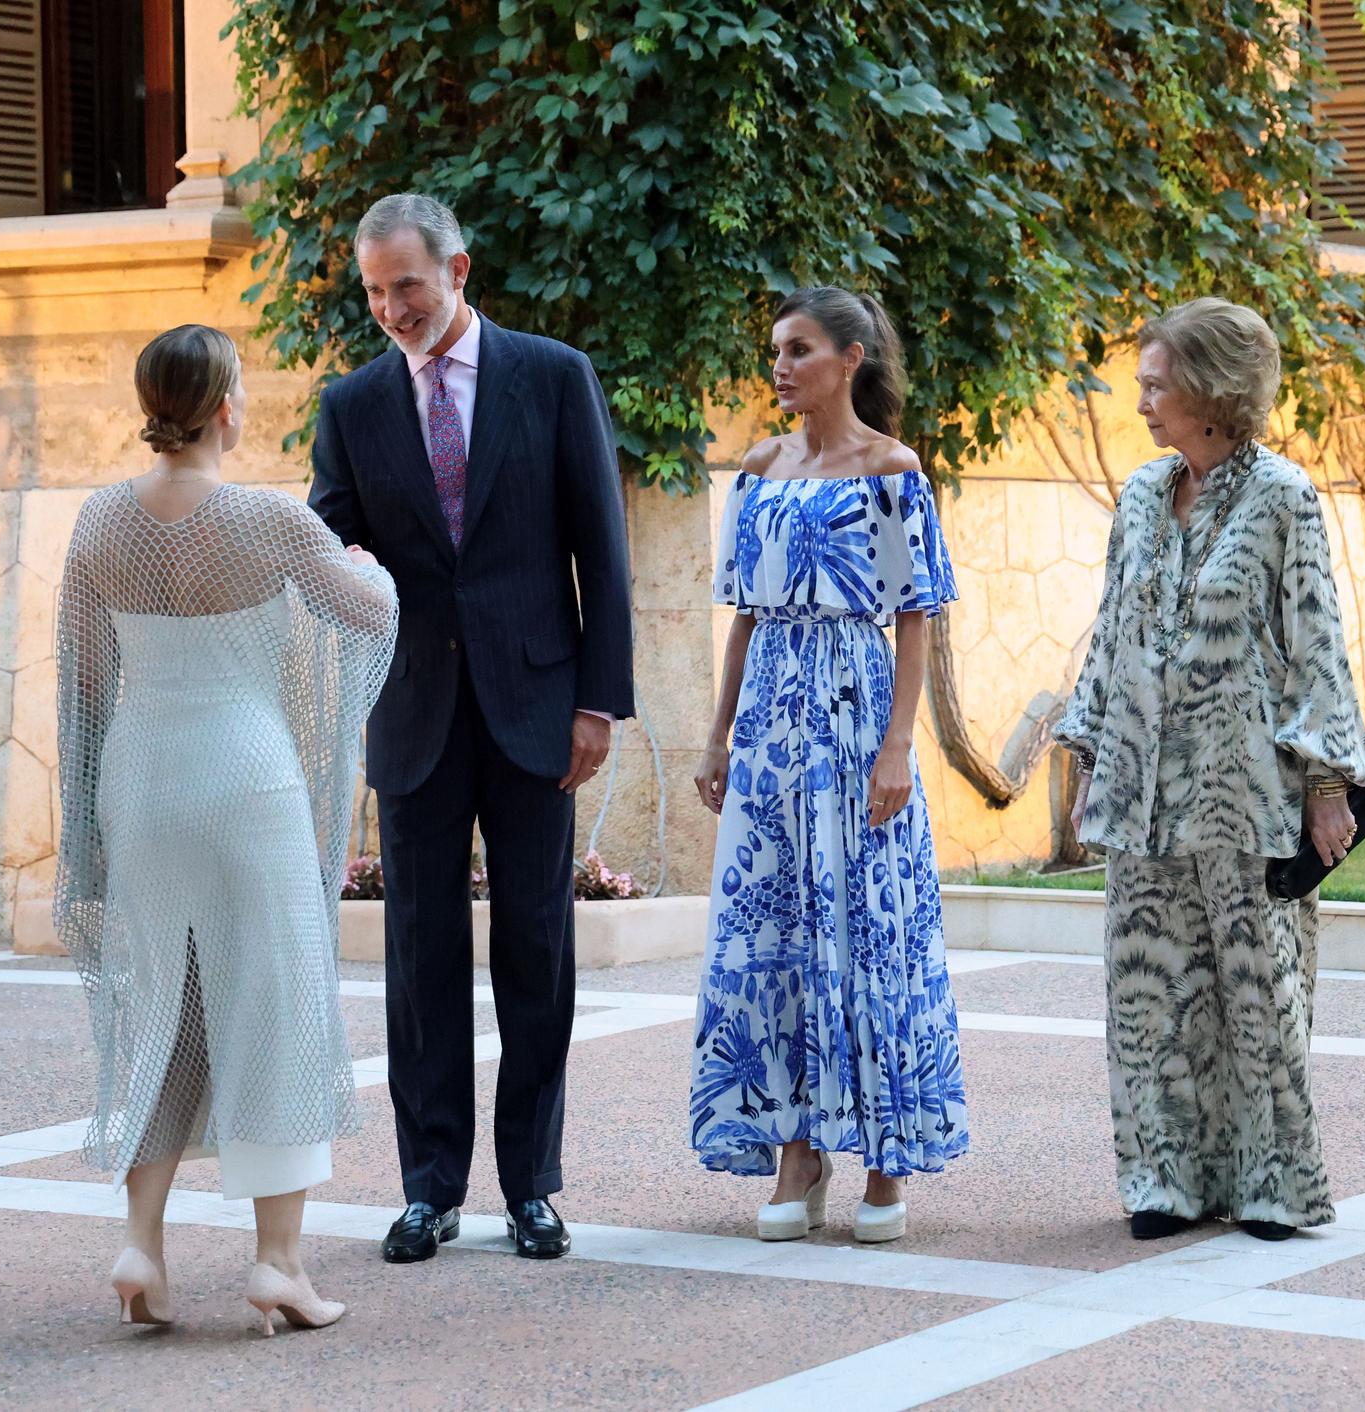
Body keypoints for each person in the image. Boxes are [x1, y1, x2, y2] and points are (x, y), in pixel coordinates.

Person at [308, 194, 635, 1263]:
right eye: (371, 291)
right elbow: (329, 539)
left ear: (457, 267)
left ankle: (531, 1183)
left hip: (539, 705)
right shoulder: (352, 404)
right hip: (413, 711)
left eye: (405, 284)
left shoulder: (551, 375)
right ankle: (428, 1185)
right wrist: (322, 560)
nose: (390, 308)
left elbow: (602, 546)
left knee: (535, 946)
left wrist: (600, 698)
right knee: (420, 952)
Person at [54, 324, 400, 1334]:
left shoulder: (99, 524)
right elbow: (366, 614)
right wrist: (366, 564)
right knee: (277, 1005)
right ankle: (278, 1262)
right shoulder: (266, 519)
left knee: (162, 1008)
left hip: (143, 781)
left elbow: (84, 685)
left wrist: (86, 831)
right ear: (223, 406)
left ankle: (141, 1244)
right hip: (248, 781)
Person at [1051, 296, 1365, 1243]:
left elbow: (1317, 641)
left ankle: (1273, 1185)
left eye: (1157, 383)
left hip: (1244, 792)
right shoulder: (1143, 495)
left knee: (1255, 989)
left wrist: (1327, 786)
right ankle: (1163, 1181)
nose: (1143, 400)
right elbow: (1110, 631)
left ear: (1211, 389)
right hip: (1143, 791)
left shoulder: (1284, 497)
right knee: (1146, 991)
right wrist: (1091, 753)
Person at [690, 286, 968, 1245]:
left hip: (856, 722)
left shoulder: (893, 472)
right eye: (774, 349)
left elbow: (916, 615)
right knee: (774, 935)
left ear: (851, 357)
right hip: (771, 727)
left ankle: (886, 1159)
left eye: (798, 349)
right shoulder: (760, 466)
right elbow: (744, 617)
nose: (779, 365)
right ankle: (797, 1154)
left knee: (869, 926)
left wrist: (899, 746)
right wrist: (717, 736)